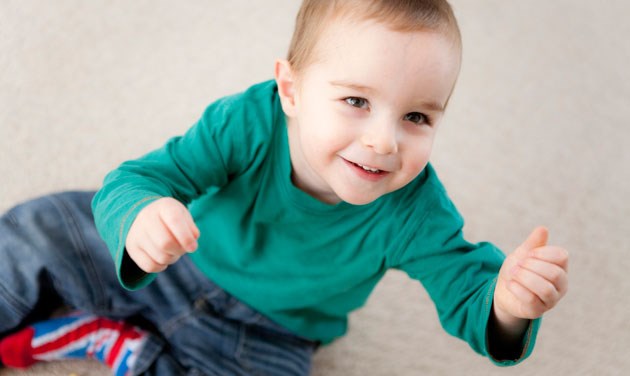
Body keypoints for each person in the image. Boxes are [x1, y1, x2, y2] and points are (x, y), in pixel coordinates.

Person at [0, 0, 569, 375]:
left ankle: (124, 346)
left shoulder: (415, 209)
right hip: (174, 265)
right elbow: (140, 179)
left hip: (267, 335)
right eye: (356, 101)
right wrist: (145, 216)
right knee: (42, 226)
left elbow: (467, 290)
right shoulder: (248, 121)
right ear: (290, 91)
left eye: (417, 117)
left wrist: (508, 304)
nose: (384, 142)